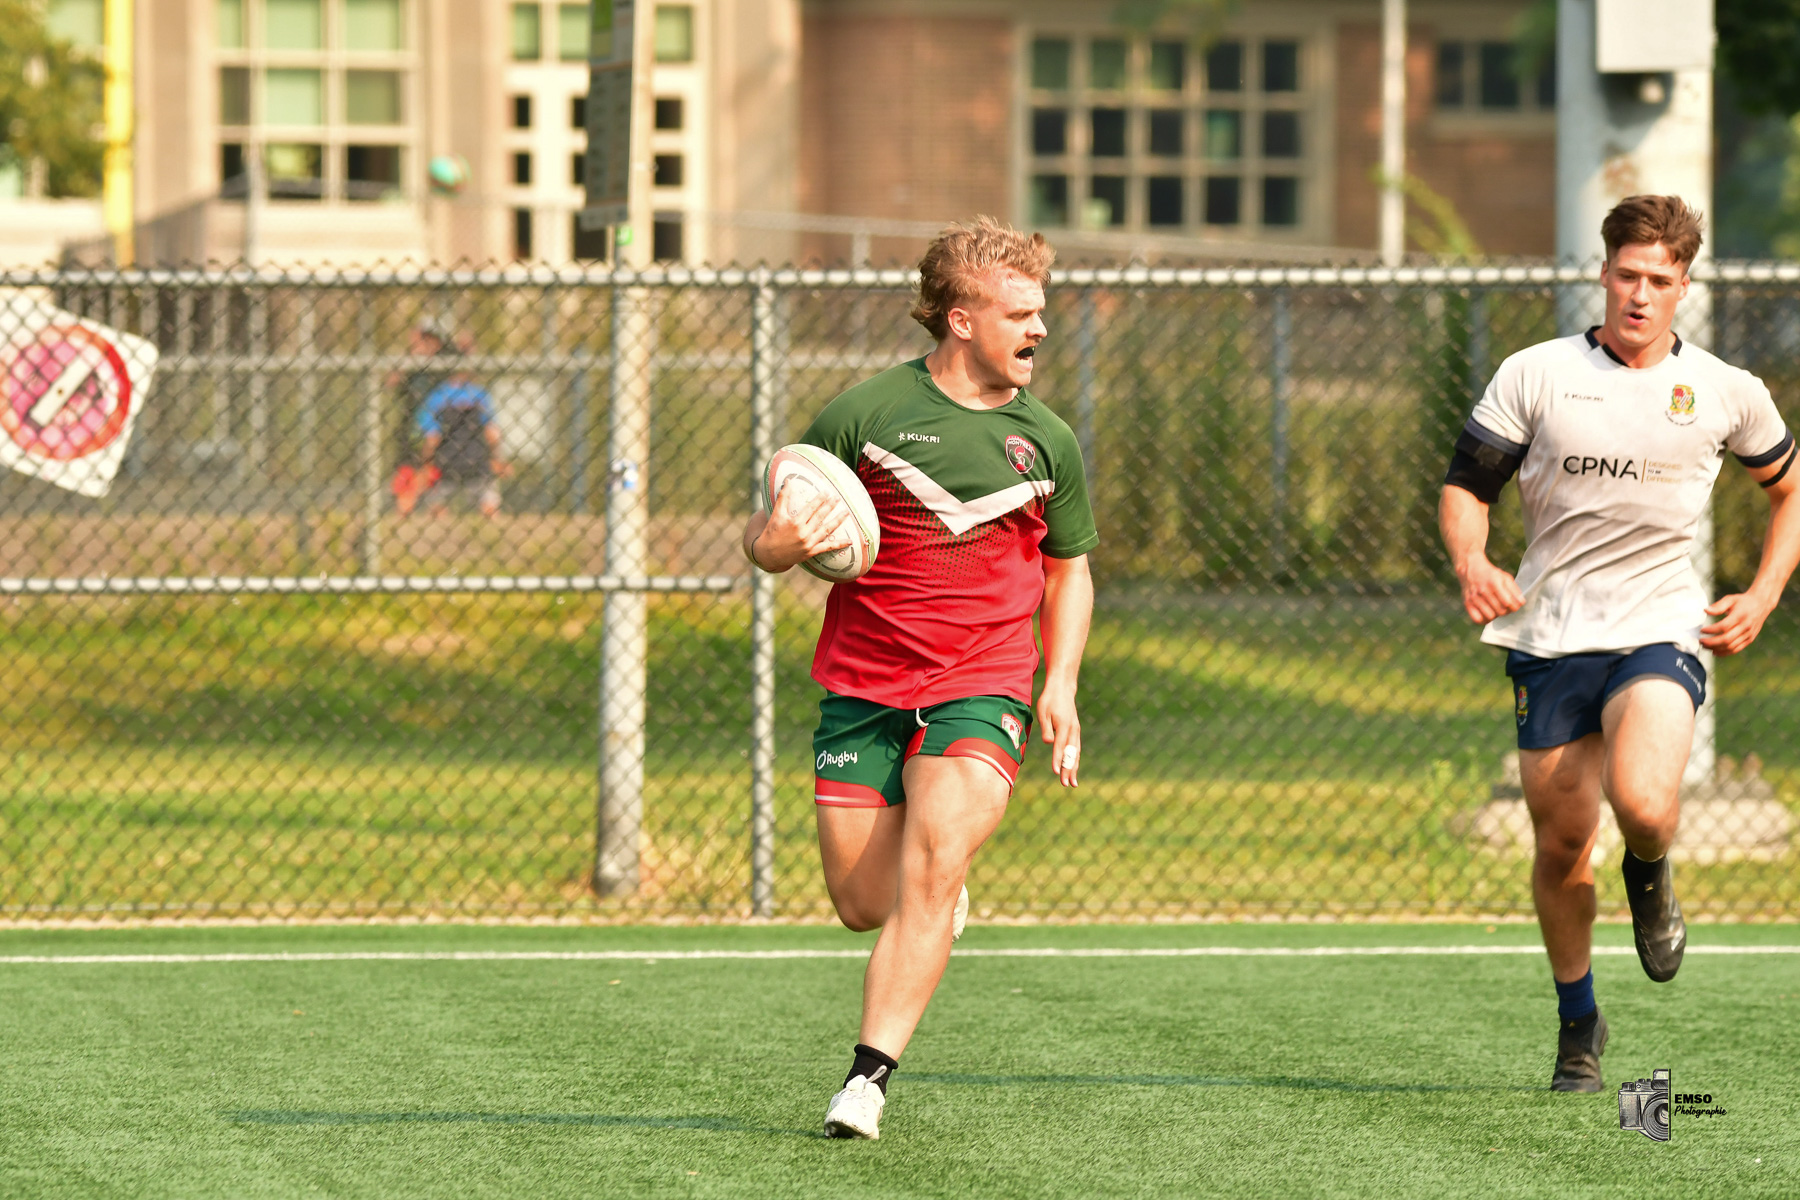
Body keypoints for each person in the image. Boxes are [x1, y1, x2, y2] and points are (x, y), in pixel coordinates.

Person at [740, 217, 1097, 1140]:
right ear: (960, 319)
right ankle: (933, 905)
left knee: (937, 857)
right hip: (864, 687)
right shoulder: (865, 415)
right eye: (1021, 312)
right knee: (864, 903)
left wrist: (1058, 683)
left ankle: (866, 1079)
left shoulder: (1045, 439)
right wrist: (777, 542)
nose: (1040, 329)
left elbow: (1069, 570)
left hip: (984, 682)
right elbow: (771, 531)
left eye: (1042, 310)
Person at [1439, 195, 1800, 1092]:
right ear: (1603, 274)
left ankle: (1650, 869)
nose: (1641, 295)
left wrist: (1762, 592)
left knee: (1643, 804)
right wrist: (1473, 561)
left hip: (1661, 628)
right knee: (1562, 843)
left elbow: (1789, 491)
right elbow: (1465, 488)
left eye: (1661, 281)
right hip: (1552, 634)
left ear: (1685, 286)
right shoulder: (1538, 374)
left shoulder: (1723, 390)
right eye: (1628, 275)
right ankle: (1578, 1024)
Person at [417, 358, 508, 518]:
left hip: (446, 461)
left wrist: (426, 464)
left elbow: (432, 438)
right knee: (489, 505)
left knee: (436, 507)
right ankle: (491, 515)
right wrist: (496, 458)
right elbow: (492, 433)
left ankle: (438, 523)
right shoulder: (479, 394)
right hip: (478, 460)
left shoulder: (437, 396)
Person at [388, 321, 454, 515]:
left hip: (440, 431)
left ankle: (437, 513)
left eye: (430, 339)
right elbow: (392, 382)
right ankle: (405, 512)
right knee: (406, 478)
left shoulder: (446, 363)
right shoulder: (413, 366)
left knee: (435, 482)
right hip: (412, 429)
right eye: (423, 338)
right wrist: (411, 355)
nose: (427, 343)